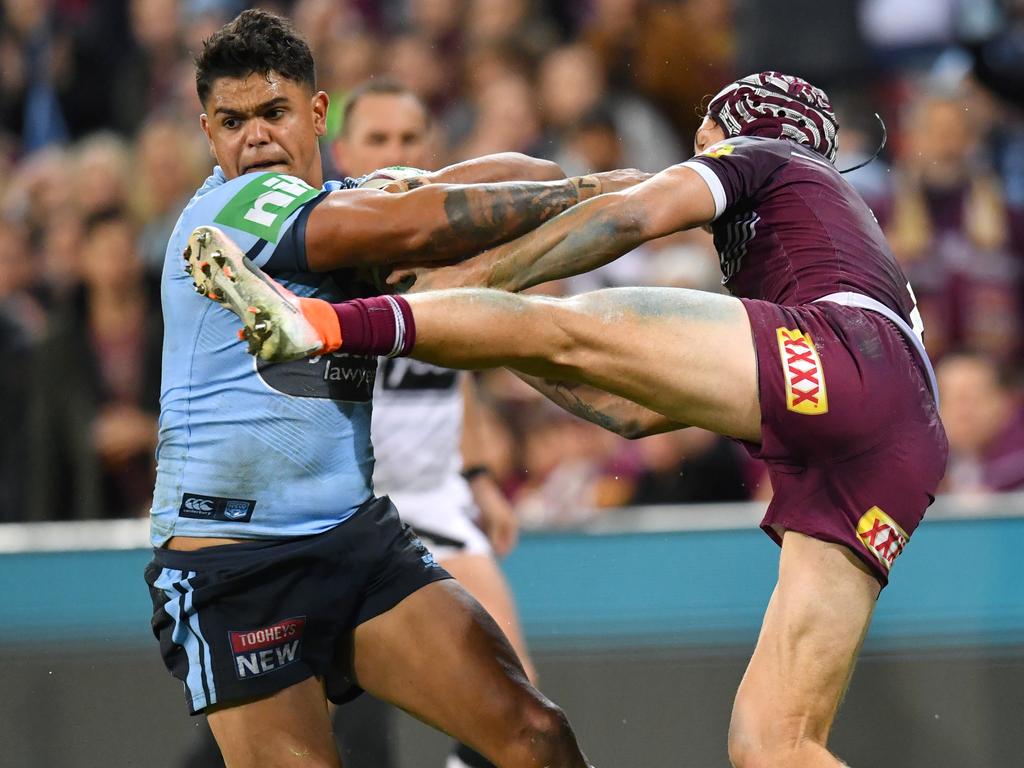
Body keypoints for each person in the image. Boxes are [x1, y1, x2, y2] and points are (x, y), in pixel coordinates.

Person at [192, 71, 949, 767]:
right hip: (904, 437)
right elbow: (627, 411)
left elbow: (630, 215)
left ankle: (319, 322)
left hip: (847, 352)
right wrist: (500, 327)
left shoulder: (759, 152)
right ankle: (359, 320)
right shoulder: (830, 220)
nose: (697, 146)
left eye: (703, 133)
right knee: (774, 743)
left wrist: (465, 282)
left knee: (566, 326)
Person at [146, 9, 643, 767]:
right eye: (232, 120)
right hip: (237, 566)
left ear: (317, 114)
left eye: (274, 113)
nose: (255, 137)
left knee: (535, 735)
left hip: (353, 536)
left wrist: (576, 187)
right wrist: (610, 196)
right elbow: (420, 226)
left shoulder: (344, 202)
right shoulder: (228, 213)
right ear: (208, 133)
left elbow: (478, 190)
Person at [334, 79, 538, 768]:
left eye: (409, 140)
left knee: (518, 704)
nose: (395, 155)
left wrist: (477, 475)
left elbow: (457, 377)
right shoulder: (320, 247)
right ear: (342, 150)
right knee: (332, 724)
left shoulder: (454, 249)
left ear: (435, 150)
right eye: (377, 140)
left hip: (434, 499)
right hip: (342, 509)